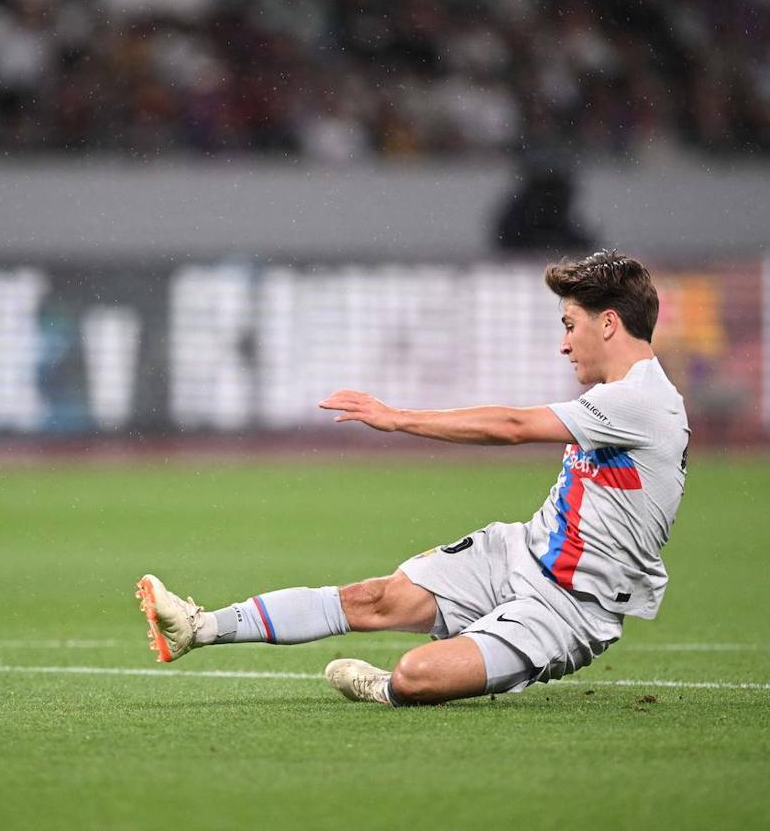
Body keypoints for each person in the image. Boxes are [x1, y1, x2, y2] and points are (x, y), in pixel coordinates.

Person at [138, 251, 688, 706]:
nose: (564, 344)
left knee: (415, 676)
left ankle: (385, 689)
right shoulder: (619, 400)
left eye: (570, 326)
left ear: (608, 322)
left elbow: (514, 426)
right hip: (518, 553)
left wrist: (399, 418)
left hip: (568, 607)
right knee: (372, 598)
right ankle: (200, 627)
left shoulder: (642, 402)